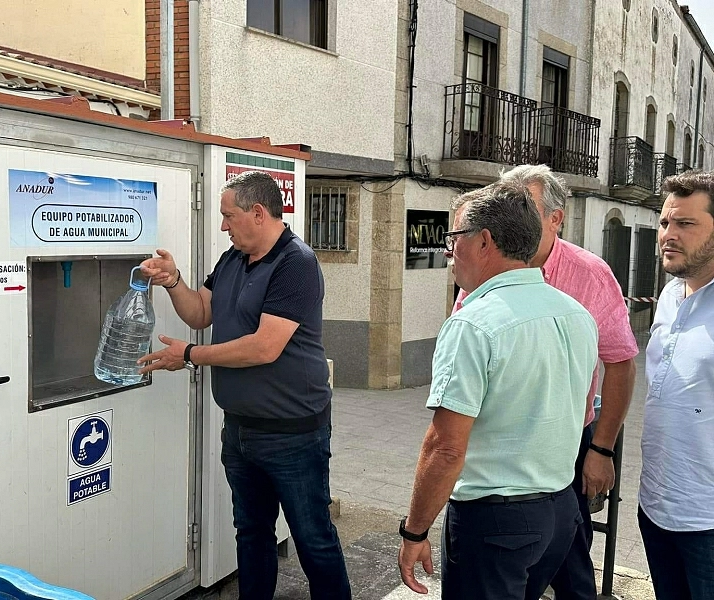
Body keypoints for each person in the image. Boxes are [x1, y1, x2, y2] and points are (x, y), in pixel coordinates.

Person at [137, 170, 351, 600]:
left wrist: (191, 356)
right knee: (251, 535)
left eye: (228, 216)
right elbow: (200, 314)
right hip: (239, 430)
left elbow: (263, 348)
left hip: (294, 434)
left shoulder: (297, 263)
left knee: (312, 538)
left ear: (258, 213)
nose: (223, 226)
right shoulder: (232, 259)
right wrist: (174, 281)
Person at [398, 182, 599, 600]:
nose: (450, 251)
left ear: (484, 241)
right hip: (559, 512)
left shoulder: (472, 324)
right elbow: (578, 409)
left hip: (495, 522)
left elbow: (445, 449)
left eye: (454, 237)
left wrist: (414, 530)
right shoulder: (576, 313)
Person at [453, 165, 638, 600]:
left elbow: (621, 363)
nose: (511, 216)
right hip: (498, 444)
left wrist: (601, 449)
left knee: (571, 568)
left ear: (556, 218)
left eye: (525, 207)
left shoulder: (590, 275)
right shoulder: (485, 267)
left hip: (567, 441)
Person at [639, 170, 714, 600]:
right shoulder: (669, 295)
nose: (669, 234)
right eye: (666, 223)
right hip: (656, 507)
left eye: (686, 224)